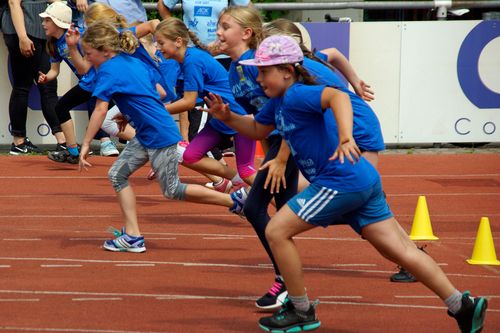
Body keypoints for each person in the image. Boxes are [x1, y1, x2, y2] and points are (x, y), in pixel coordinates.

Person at [204, 35, 488, 333]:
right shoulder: (278, 103)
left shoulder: (299, 94)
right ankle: (462, 306)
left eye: (264, 71)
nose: (259, 78)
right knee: (401, 250)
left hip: (340, 182)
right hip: (361, 179)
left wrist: (345, 136)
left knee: (276, 230)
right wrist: (228, 117)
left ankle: (300, 310)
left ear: (287, 70)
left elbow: (337, 97)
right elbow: (258, 128)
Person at [216, 6, 386, 310]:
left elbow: (307, 103)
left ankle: (288, 287)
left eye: (224, 26)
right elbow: (265, 120)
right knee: (288, 210)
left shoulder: (279, 64)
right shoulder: (240, 71)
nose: (217, 32)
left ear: (247, 33)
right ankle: (290, 282)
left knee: (261, 210)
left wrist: (281, 157)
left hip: (343, 131)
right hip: (290, 140)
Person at [78, 20, 247, 253]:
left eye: (88, 54)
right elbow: (157, 92)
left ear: (105, 51)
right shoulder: (133, 62)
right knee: (117, 175)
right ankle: (132, 236)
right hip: (149, 132)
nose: (87, 59)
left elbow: (100, 109)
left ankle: (235, 202)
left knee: (172, 189)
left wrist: (86, 143)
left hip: (158, 134)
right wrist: (132, 113)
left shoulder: (108, 69)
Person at [154, 17, 256, 189]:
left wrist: (157, 111)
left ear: (178, 41)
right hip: (221, 116)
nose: (157, 47)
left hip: (238, 116)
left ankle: (284, 204)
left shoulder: (192, 61)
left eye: (161, 43)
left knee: (247, 170)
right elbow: (186, 101)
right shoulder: (184, 61)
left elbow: (188, 102)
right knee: (190, 156)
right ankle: (235, 179)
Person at [37, 1, 119, 164]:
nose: (43, 24)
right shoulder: (54, 43)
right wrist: (46, 77)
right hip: (89, 83)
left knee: (115, 116)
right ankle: (73, 150)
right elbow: (55, 70)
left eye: (47, 20)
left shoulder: (79, 36)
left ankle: (146, 143)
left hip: (98, 82)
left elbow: (87, 63)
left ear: (58, 22)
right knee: (63, 107)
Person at [1, 0, 66, 155]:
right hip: (22, 31)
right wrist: (22, 37)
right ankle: (20, 141)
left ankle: (62, 140)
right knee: (24, 86)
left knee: (46, 85)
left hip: (41, 31)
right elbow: (13, 2)